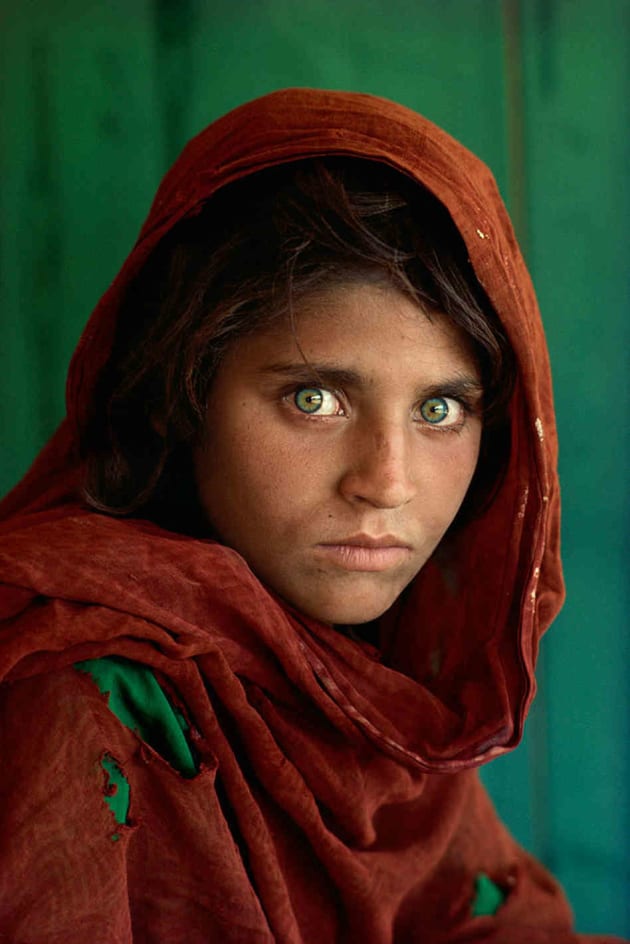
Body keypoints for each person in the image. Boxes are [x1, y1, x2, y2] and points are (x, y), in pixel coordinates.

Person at [0, 88, 622, 943]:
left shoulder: (373, 694)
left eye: (440, 410)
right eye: (314, 397)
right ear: (177, 394)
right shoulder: (77, 694)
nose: (387, 483)